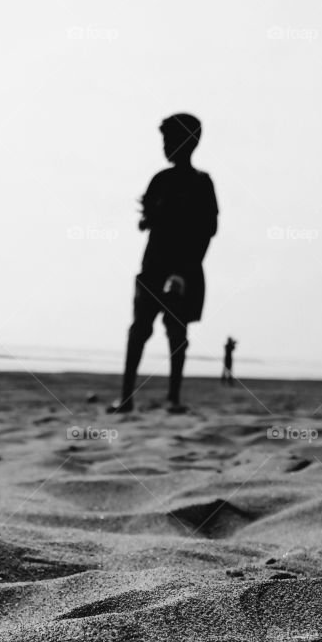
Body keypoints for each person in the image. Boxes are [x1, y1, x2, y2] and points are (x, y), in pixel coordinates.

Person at [108, 113, 218, 415]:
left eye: (170, 140)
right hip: (154, 268)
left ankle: (171, 397)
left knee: (175, 332)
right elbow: (148, 220)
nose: (165, 146)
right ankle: (128, 397)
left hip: (182, 270)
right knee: (141, 330)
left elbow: (207, 230)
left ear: (189, 142)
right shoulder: (161, 180)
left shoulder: (200, 183)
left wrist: (184, 271)